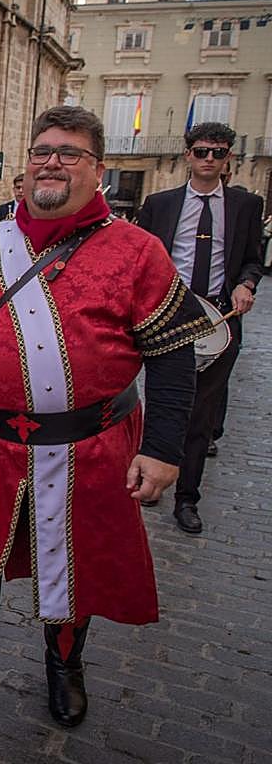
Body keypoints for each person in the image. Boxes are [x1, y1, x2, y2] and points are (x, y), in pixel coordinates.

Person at [0, 106, 210, 746]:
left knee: (70, 567)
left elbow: (172, 354)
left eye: (70, 153)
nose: (52, 161)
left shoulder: (138, 250)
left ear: (97, 169)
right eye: (43, 150)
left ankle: (65, 666)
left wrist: (163, 450)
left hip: (93, 447)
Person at [135, 122, 262, 534]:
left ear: (228, 159)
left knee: (201, 416)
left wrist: (247, 283)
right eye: (202, 150)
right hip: (170, 318)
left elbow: (252, 257)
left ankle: (188, 499)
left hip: (221, 319)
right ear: (188, 154)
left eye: (219, 152)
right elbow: (139, 258)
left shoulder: (246, 206)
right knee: (162, 403)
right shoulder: (160, 203)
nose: (210, 158)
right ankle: (151, 479)